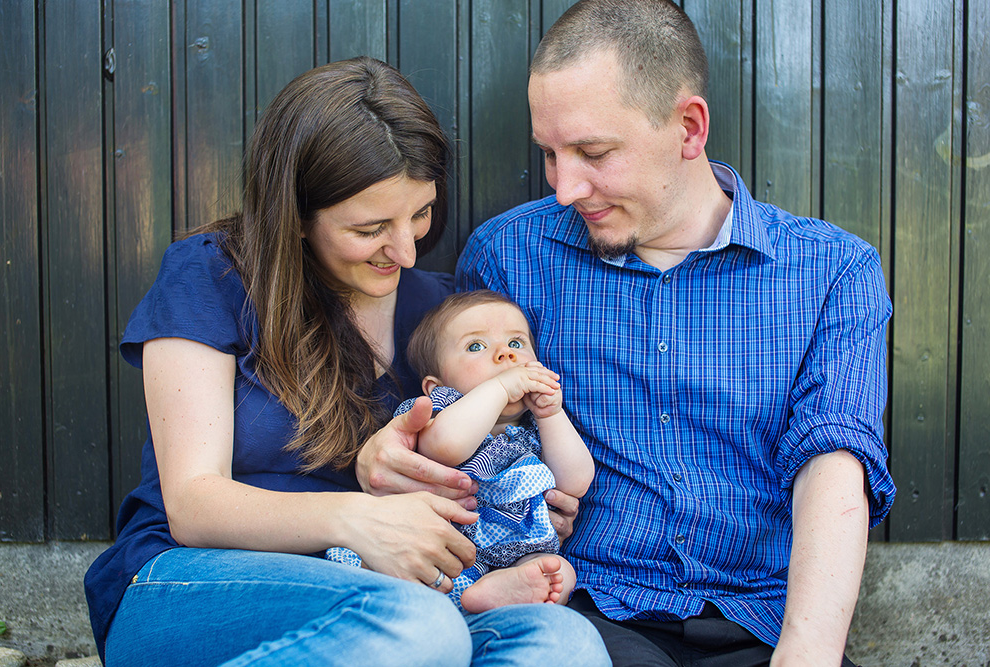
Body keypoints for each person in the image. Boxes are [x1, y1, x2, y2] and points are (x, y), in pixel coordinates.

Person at [358, 2, 897, 666]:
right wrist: (391, 453)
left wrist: (806, 650)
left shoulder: (833, 272)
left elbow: (834, 462)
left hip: (763, 619)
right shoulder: (509, 255)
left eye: (592, 152)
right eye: (550, 154)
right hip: (585, 611)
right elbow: (459, 425)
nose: (563, 187)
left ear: (689, 128)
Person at [83, 57, 610, 667]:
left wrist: (513, 500)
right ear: (297, 216)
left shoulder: (444, 319)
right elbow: (193, 504)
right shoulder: (209, 276)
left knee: (564, 644)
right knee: (419, 629)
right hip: (196, 583)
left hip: (404, 595)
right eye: (370, 229)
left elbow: (496, 442)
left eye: (420, 214)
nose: (407, 251)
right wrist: (357, 519)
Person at [329, 290, 594, 613]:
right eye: (476, 347)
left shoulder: (536, 427)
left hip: (513, 551)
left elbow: (575, 482)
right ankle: (468, 595)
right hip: (439, 539)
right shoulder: (439, 410)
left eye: (516, 343)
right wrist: (500, 388)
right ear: (436, 385)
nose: (505, 356)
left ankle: (499, 591)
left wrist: (552, 414)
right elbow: (447, 448)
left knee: (557, 571)